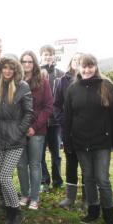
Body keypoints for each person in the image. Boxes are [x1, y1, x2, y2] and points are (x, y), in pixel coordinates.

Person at [63, 54, 113, 224]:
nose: (87, 70)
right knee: (88, 177)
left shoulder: (106, 86)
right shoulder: (73, 89)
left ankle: (109, 214)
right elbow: (68, 118)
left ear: (96, 67)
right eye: (83, 66)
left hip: (101, 141)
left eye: (90, 66)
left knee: (102, 178)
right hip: (81, 141)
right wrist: (67, 142)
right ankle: (93, 211)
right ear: (78, 68)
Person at [0, 54, 33, 224]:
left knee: (5, 177)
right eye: (4, 67)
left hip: (15, 140)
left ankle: (16, 211)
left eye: (11, 68)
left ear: (15, 70)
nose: (7, 71)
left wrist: (19, 131)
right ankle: (8, 208)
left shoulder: (22, 86)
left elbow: (28, 112)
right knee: (1, 177)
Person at [16, 51, 53, 210]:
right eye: (24, 61)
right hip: (19, 131)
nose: (27, 65)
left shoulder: (42, 82)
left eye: (30, 62)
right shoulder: (15, 81)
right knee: (21, 165)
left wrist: (35, 127)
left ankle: (35, 197)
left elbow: (48, 107)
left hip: (37, 131)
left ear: (35, 64)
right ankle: (25, 194)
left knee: (35, 164)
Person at [54, 53, 85, 209]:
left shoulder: (90, 81)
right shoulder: (62, 81)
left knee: (87, 165)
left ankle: (87, 198)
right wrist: (63, 122)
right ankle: (70, 197)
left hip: (87, 131)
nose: (78, 63)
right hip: (68, 130)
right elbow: (57, 104)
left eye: (81, 61)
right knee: (71, 163)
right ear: (71, 63)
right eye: (75, 60)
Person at [39, 45, 64, 191]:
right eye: (45, 54)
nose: (48, 57)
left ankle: (57, 180)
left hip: (55, 122)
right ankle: (44, 181)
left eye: (50, 54)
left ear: (54, 56)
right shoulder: (37, 73)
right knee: (40, 154)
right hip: (41, 122)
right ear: (41, 56)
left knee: (56, 154)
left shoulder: (60, 74)